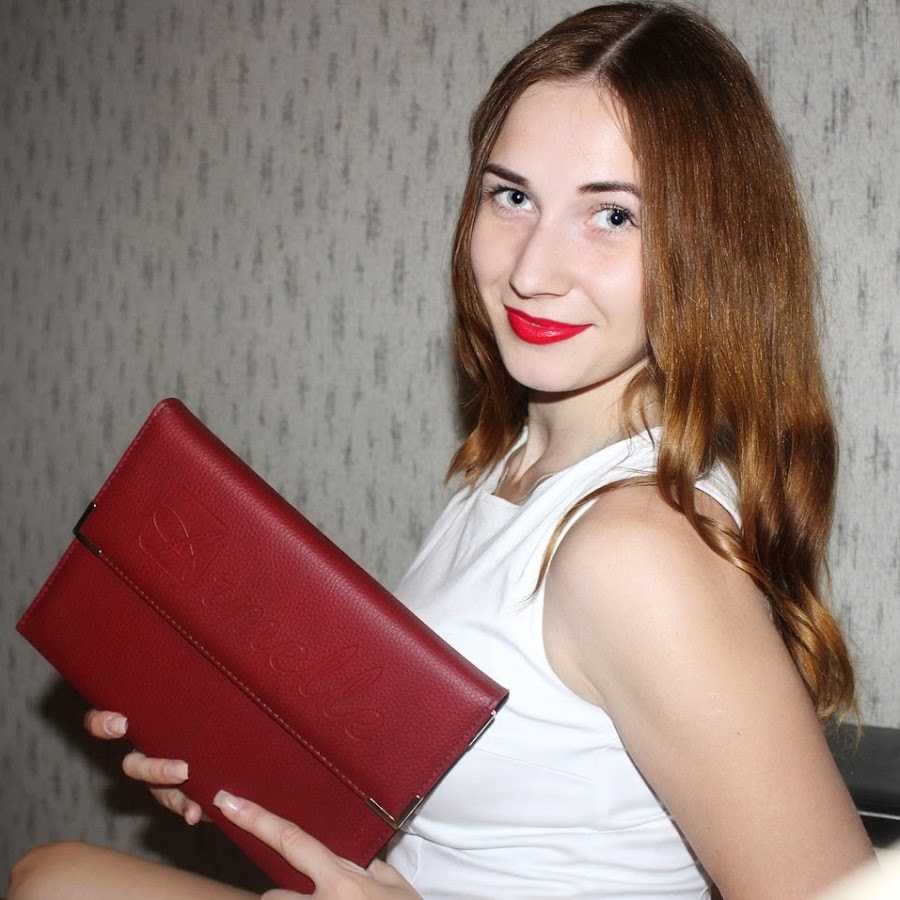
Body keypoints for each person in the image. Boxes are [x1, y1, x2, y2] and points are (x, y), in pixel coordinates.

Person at [7, 3, 876, 898]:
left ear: (713, 248)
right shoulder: (508, 468)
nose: (531, 271)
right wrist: (234, 760)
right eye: (513, 197)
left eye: (612, 215)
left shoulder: (636, 552)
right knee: (52, 876)